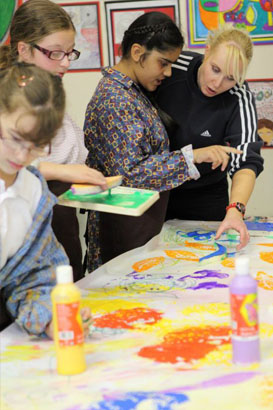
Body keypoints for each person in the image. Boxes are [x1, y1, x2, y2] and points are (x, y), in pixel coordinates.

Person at [84, 12, 241, 272]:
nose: (168, 73)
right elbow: (132, 174)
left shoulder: (134, 92)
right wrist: (193, 156)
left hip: (140, 223)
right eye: (163, 63)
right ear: (137, 52)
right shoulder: (115, 99)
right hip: (121, 228)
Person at [0, 0, 107, 281]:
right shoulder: (7, 99)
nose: (66, 62)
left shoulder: (49, 90)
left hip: (57, 226)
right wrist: (61, 170)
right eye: (55, 53)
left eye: (70, 53)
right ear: (23, 49)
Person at [0, 63, 91, 337]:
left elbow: (35, 275)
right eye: (16, 138)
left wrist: (49, 319)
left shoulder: (33, 190)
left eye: (38, 145)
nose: (21, 155)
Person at [155, 24, 264, 250]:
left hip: (205, 197)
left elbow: (245, 160)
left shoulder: (239, 95)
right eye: (215, 69)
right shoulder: (173, 67)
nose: (218, 83)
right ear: (207, 50)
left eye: (230, 78)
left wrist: (236, 209)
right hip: (156, 190)